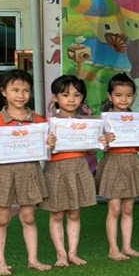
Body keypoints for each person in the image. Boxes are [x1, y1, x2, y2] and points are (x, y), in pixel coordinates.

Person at [0, 68, 56, 275]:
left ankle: (33, 259)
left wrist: (50, 142)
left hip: (29, 171)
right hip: (3, 172)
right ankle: (0, 262)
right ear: (3, 92)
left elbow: (47, 147)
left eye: (25, 90)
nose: (21, 95)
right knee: (2, 218)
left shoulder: (39, 121)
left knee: (29, 217)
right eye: (15, 90)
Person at [44, 74, 98, 266]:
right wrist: (47, 144)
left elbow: (92, 150)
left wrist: (100, 141)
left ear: (82, 98)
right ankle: (61, 254)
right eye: (65, 95)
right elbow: (39, 150)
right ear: (55, 97)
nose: (71, 99)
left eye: (76, 95)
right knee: (57, 213)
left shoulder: (89, 123)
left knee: (74, 213)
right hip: (56, 168)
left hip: (79, 167)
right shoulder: (47, 124)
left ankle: (73, 253)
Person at [97, 73, 139, 261]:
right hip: (113, 162)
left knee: (128, 209)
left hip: (132, 162)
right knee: (115, 209)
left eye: (128, 95)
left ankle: (127, 246)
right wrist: (103, 140)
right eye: (118, 95)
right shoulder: (104, 120)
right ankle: (113, 249)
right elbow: (97, 145)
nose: (123, 99)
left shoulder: (138, 119)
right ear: (110, 96)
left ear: (133, 96)